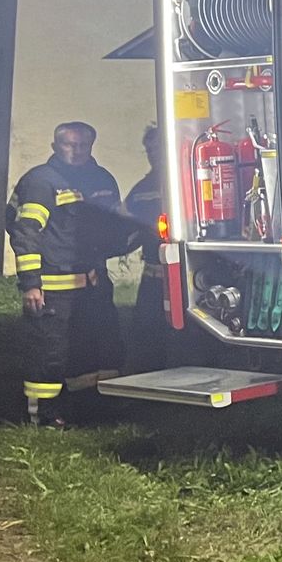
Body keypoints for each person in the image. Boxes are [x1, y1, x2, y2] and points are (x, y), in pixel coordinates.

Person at [5, 121, 140, 426]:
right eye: (69, 144)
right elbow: (25, 233)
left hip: (94, 285)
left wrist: (141, 235)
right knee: (51, 353)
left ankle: (89, 408)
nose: (77, 151)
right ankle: (43, 415)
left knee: (97, 347)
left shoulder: (102, 180)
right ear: (55, 147)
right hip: (54, 288)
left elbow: (113, 229)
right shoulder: (41, 182)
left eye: (83, 145)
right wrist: (31, 284)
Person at [123, 123, 168, 374]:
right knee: (146, 336)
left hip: (188, 277)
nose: (154, 155)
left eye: (159, 148)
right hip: (153, 278)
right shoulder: (142, 190)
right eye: (149, 150)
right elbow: (125, 229)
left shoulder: (191, 181)